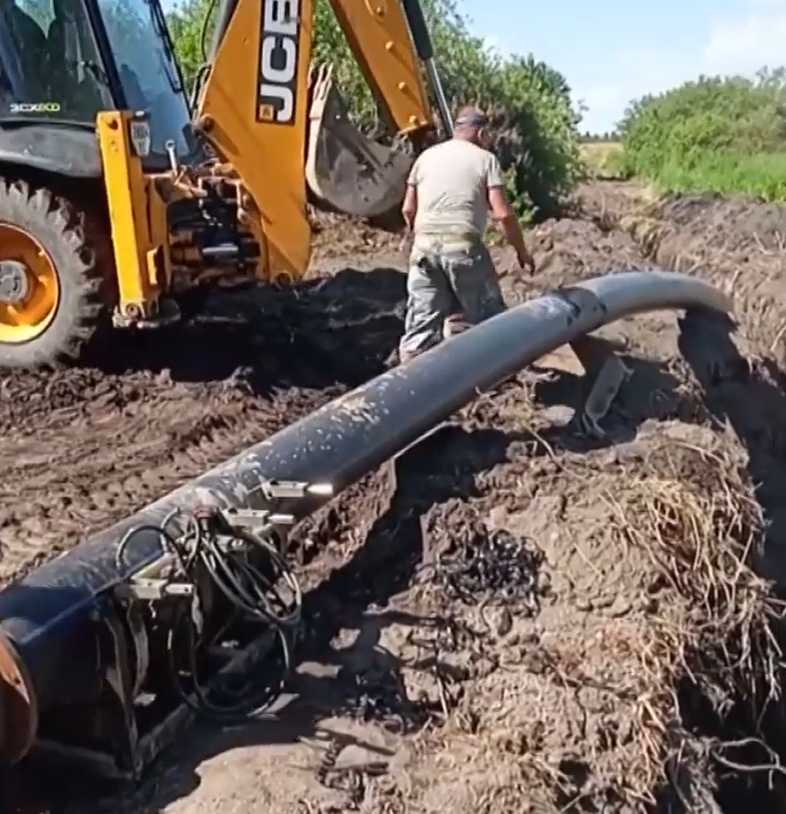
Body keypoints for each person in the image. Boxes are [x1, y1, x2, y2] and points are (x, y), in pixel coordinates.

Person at [395, 106, 536, 364]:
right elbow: (503, 214)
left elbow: (408, 208)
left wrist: (417, 236)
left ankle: (411, 384)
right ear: (481, 133)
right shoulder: (485, 159)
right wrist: (521, 251)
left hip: (424, 251)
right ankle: (495, 376)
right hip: (463, 248)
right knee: (491, 321)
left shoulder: (425, 158)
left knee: (420, 330)